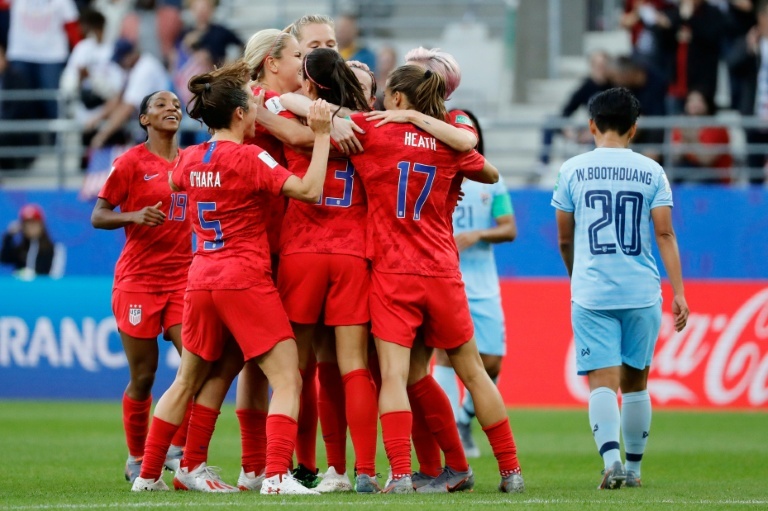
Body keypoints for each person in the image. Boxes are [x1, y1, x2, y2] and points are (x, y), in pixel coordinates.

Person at [130, 60, 333, 496]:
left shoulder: (187, 158)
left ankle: (151, 476)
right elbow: (309, 190)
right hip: (243, 278)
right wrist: (320, 137)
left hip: (200, 278)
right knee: (287, 379)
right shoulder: (249, 156)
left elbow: (175, 182)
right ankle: (277, 476)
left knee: (189, 379)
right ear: (242, 114)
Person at [347, 65, 524, 494]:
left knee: (393, 376)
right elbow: (490, 172)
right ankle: (510, 471)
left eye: (389, 95)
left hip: (394, 273)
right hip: (443, 272)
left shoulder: (373, 133)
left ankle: (402, 475)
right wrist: (428, 127)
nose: (384, 102)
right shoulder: (449, 142)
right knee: (475, 374)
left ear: (400, 100)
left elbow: (322, 122)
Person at [551, 87, 689, 489]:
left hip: (593, 291)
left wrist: (578, 275)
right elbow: (664, 233)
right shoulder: (651, 171)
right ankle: (635, 470)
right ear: (634, 128)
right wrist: (679, 291)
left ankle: (611, 460)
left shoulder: (572, 169)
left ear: (591, 124)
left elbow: (564, 237)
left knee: (601, 381)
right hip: (641, 290)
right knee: (636, 383)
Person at [276, 48, 379, 494]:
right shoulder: (370, 125)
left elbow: (262, 100)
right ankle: (362, 472)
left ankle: (300, 468)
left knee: (295, 371)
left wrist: (318, 112)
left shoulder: (297, 116)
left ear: (311, 82)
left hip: (301, 250)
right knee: (352, 367)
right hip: (353, 252)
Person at [91, 91, 191, 484]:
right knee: (144, 376)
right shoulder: (130, 162)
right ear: (144, 119)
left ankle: (177, 453)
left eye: (175, 104)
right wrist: (134, 215)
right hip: (139, 281)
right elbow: (99, 215)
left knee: (197, 365)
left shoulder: (191, 160)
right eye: (161, 105)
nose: (172, 108)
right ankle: (136, 457)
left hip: (183, 278)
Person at [432, 109, 517, 459]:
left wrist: (479, 233)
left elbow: (509, 228)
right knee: (445, 357)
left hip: (482, 283)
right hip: (444, 276)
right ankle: (451, 437)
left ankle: (465, 420)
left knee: (492, 361)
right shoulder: (434, 171)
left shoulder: (491, 180)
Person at [85, 39, 170, 151]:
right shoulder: (131, 69)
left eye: (121, 60)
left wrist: (103, 135)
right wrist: (97, 118)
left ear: (131, 54)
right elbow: (118, 99)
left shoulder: (145, 69)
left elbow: (127, 107)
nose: (119, 64)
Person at [6, 0, 82, 120]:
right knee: (19, 103)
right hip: (21, 54)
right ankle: (24, 138)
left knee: (52, 103)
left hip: (52, 57)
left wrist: (81, 57)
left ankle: (54, 138)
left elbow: (72, 26)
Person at [539, 51, 613, 167]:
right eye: (596, 66)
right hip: (588, 127)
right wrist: (566, 127)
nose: (600, 70)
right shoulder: (586, 85)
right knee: (550, 121)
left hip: (606, 131)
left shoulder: (615, 86)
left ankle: (593, 166)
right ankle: (543, 163)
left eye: (602, 66)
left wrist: (593, 132)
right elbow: (567, 109)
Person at [728, 0, 768, 183]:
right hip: (755, 114)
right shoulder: (749, 41)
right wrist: (748, 47)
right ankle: (757, 206)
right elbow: (732, 64)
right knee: (754, 169)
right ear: (760, 18)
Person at [670, 89, 733, 184]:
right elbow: (675, 157)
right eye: (690, 100)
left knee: (692, 183)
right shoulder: (681, 126)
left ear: (707, 103)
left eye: (698, 100)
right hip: (688, 170)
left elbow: (707, 161)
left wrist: (692, 139)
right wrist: (684, 139)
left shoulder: (717, 128)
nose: (694, 104)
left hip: (714, 176)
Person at [1, 204, 66, 278]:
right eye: (27, 224)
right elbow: (4, 259)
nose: (30, 227)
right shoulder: (20, 249)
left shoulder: (55, 249)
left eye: (34, 223)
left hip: (44, 288)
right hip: (21, 288)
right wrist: (8, 236)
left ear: (41, 225)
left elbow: (56, 275)